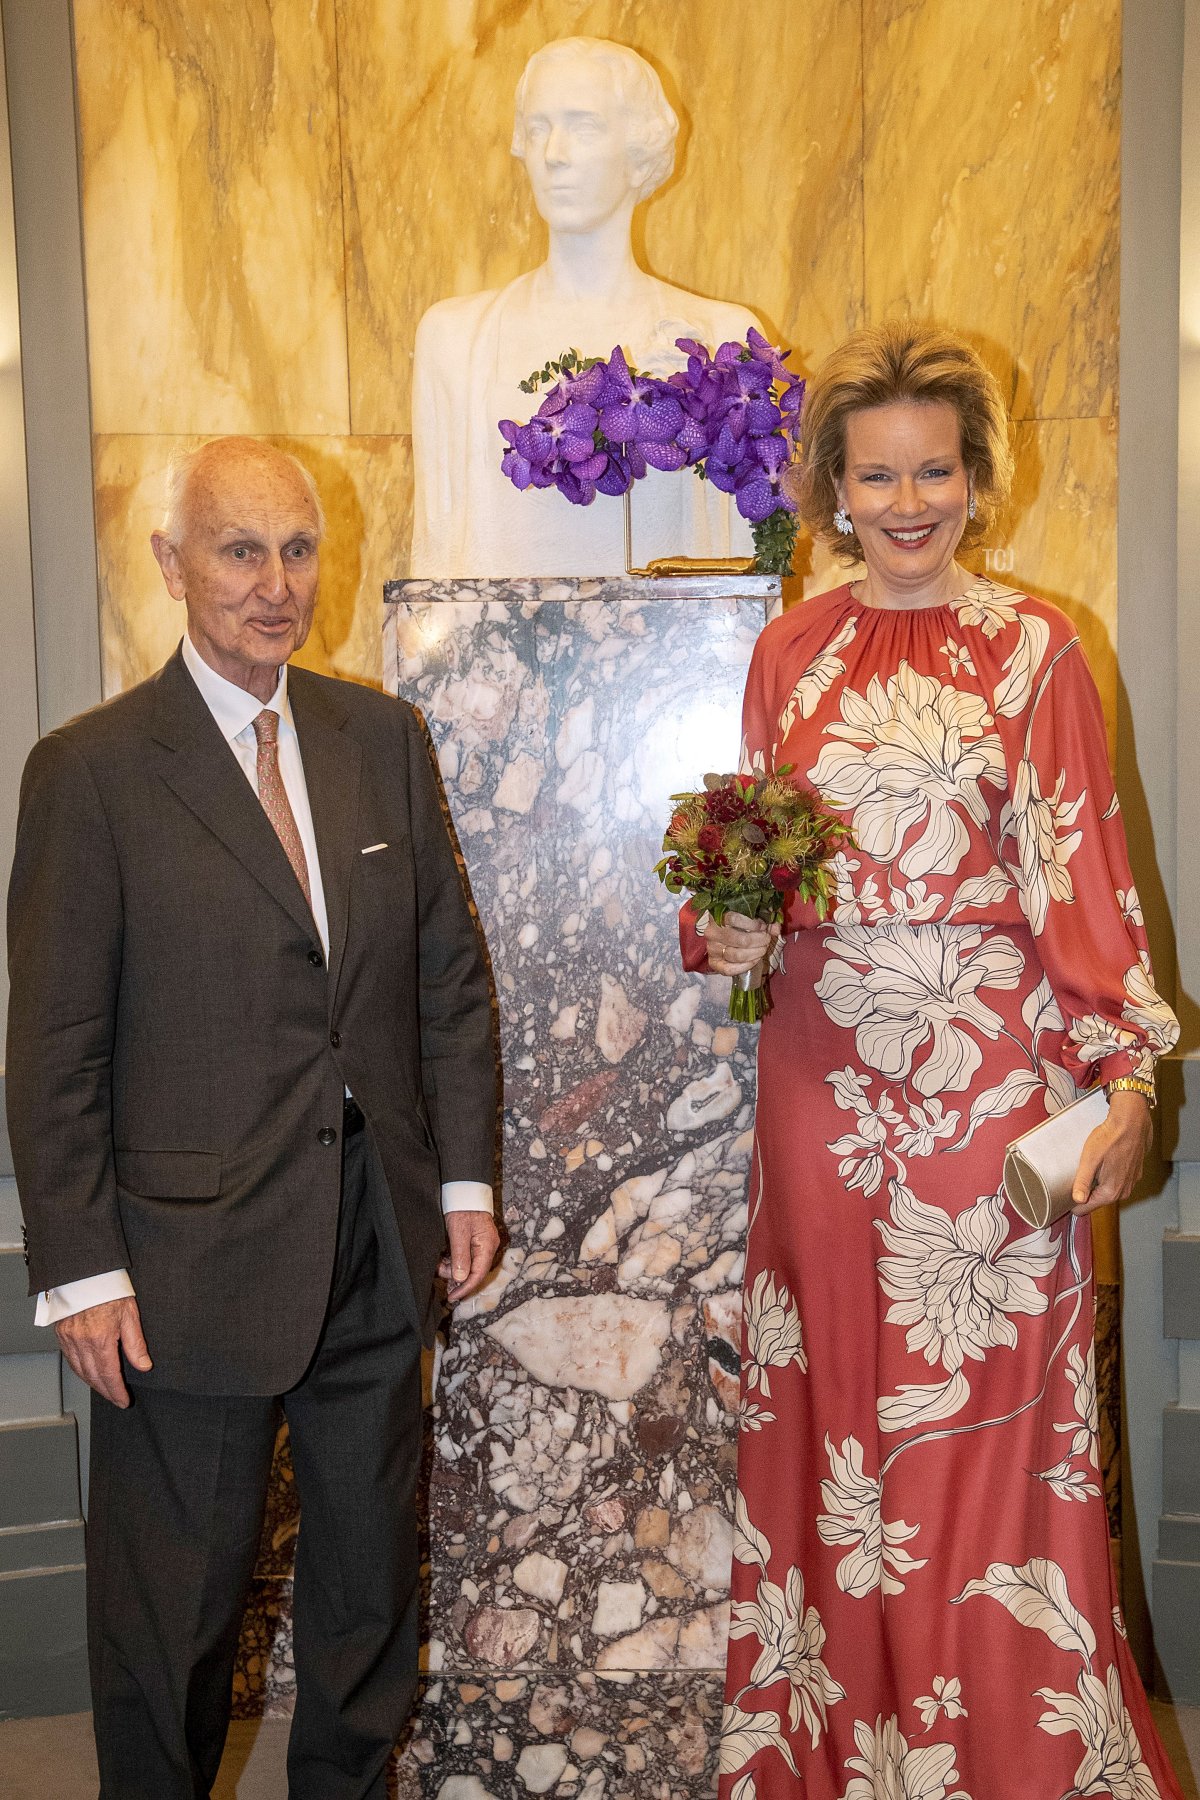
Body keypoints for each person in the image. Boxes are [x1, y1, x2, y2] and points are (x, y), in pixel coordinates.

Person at [687, 324, 1185, 1798]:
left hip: (988, 1097)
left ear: (977, 477)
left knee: (987, 1449)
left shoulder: (1038, 648)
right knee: (840, 1440)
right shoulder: (789, 650)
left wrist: (1131, 1073)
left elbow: (1080, 876)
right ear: (833, 487)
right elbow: (757, 884)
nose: (909, 503)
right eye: (877, 475)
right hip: (822, 1099)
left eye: (937, 472)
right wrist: (733, 940)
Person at [5, 437, 500, 1799]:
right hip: (178, 1274)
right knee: (170, 1622)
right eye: (239, 551)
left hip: (375, 1254)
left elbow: (446, 979)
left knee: (365, 1603)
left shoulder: (380, 740)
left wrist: (463, 1185)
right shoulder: (92, 772)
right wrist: (81, 1269)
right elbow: (51, 1050)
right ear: (170, 565)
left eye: (296, 549)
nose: (275, 585)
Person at [410, 35, 761, 577]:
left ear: (639, 151)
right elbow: (431, 569)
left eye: (584, 126)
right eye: (538, 128)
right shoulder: (455, 339)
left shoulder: (722, 337)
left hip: (672, 655)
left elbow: (746, 583)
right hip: (498, 658)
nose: (554, 154)